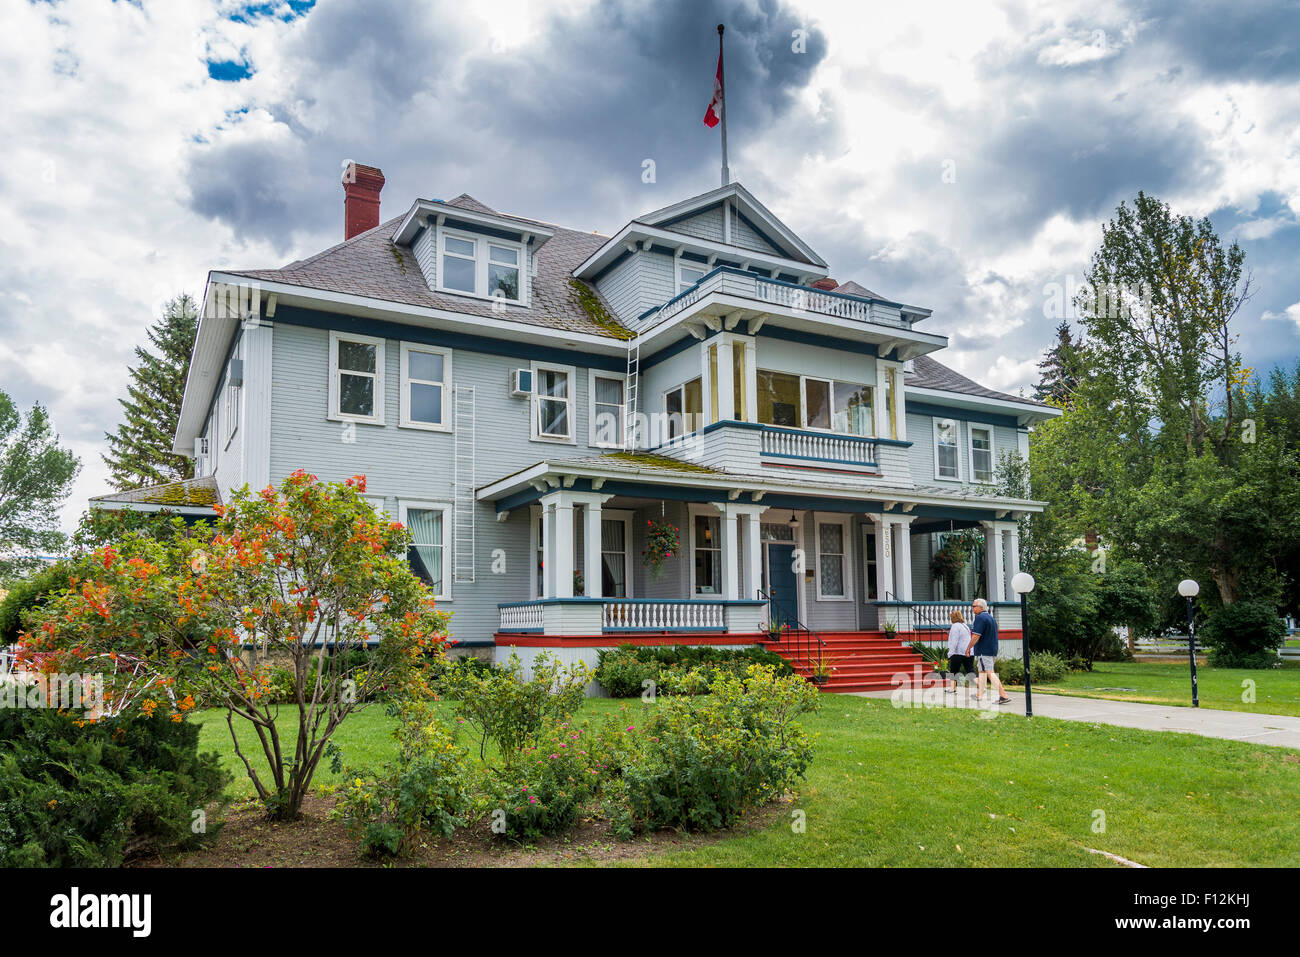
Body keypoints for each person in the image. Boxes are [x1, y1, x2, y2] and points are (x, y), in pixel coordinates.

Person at [966, 597, 1011, 705]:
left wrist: (968, 648)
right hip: (991, 649)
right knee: (982, 672)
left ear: (980, 607)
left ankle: (1003, 694)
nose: (972, 608)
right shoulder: (991, 618)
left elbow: (976, 636)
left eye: (974, 606)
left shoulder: (980, 618)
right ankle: (979, 695)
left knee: (989, 672)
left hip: (983, 650)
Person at [944, 610, 974, 694]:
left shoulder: (955, 626)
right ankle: (981, 686)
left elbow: (954, 641)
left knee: (953, 671)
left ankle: (952, 689)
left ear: (953, 618)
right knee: (970, 670)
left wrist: (950, 653)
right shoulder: (965, 626)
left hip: (957, 652)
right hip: (969, 652)